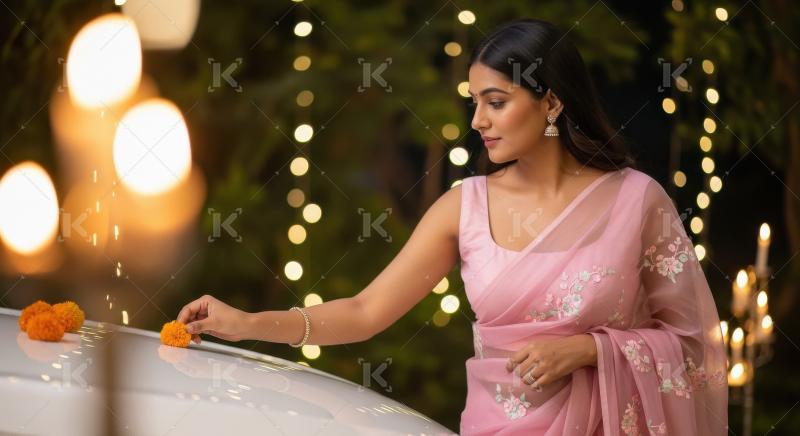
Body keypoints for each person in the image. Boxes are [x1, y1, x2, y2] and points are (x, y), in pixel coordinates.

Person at [177, 18, 728, 435]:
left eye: (496, 102)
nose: (478, 121)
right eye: (474, 103)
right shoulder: (464, 205)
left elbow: (691, 345)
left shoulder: (636, 201)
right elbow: (366, 312)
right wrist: (248, 322)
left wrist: (588, 350)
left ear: (552, 102)